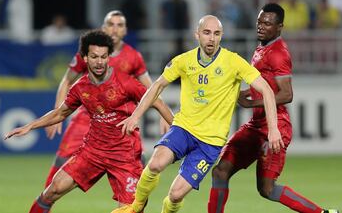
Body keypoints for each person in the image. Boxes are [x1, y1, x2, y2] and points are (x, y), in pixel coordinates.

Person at [113, 15, 282, 213]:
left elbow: (268, 91)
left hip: (210, 142)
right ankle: (136, 206)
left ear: (221, 36)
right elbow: (157, 85)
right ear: (197, 35)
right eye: (207, 32)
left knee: (175, 195)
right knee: (156, 163)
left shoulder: (233, 62)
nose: (211, 38)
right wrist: (135, 116)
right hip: (184, 128)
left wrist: (273, 128)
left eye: (216, 34)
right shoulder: (184, 61)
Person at [4, 29, 174, 213]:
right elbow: (60, 113)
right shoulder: (80, 87)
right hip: (93, 151)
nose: (99, 62)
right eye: (94, 56)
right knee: (52, 190)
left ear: (109, 57)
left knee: (132, 210)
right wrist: (30, 126)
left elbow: (158, 103)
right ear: (84, 58)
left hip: (125, 156)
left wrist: (179, 135)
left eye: (103, 56)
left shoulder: (126, 83)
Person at [207, 3, 339, 213]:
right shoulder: (262, 47)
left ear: (279, 27)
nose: (261, 26)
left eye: (267, 24)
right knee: (220, 171)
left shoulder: (278, 53)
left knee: (267, 189)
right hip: (255, 125)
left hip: (275, 127)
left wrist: (252, 103)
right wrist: (243, 94)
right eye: (260, 22)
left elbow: (287, 94)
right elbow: (264, 84)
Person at [43, 10, 169, 188]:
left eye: (120, 25)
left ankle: (134, 203)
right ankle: (45, 203)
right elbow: (66, 80)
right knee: (61, 160)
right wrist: (58, 112)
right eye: (111, 24)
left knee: (138, 161)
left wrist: (163, 114)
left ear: (125, 30)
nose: (115, 29)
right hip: (86, 117)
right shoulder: (89, 52)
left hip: (120, 121)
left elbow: (151, 89)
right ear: (103, 28)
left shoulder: (133, 57)